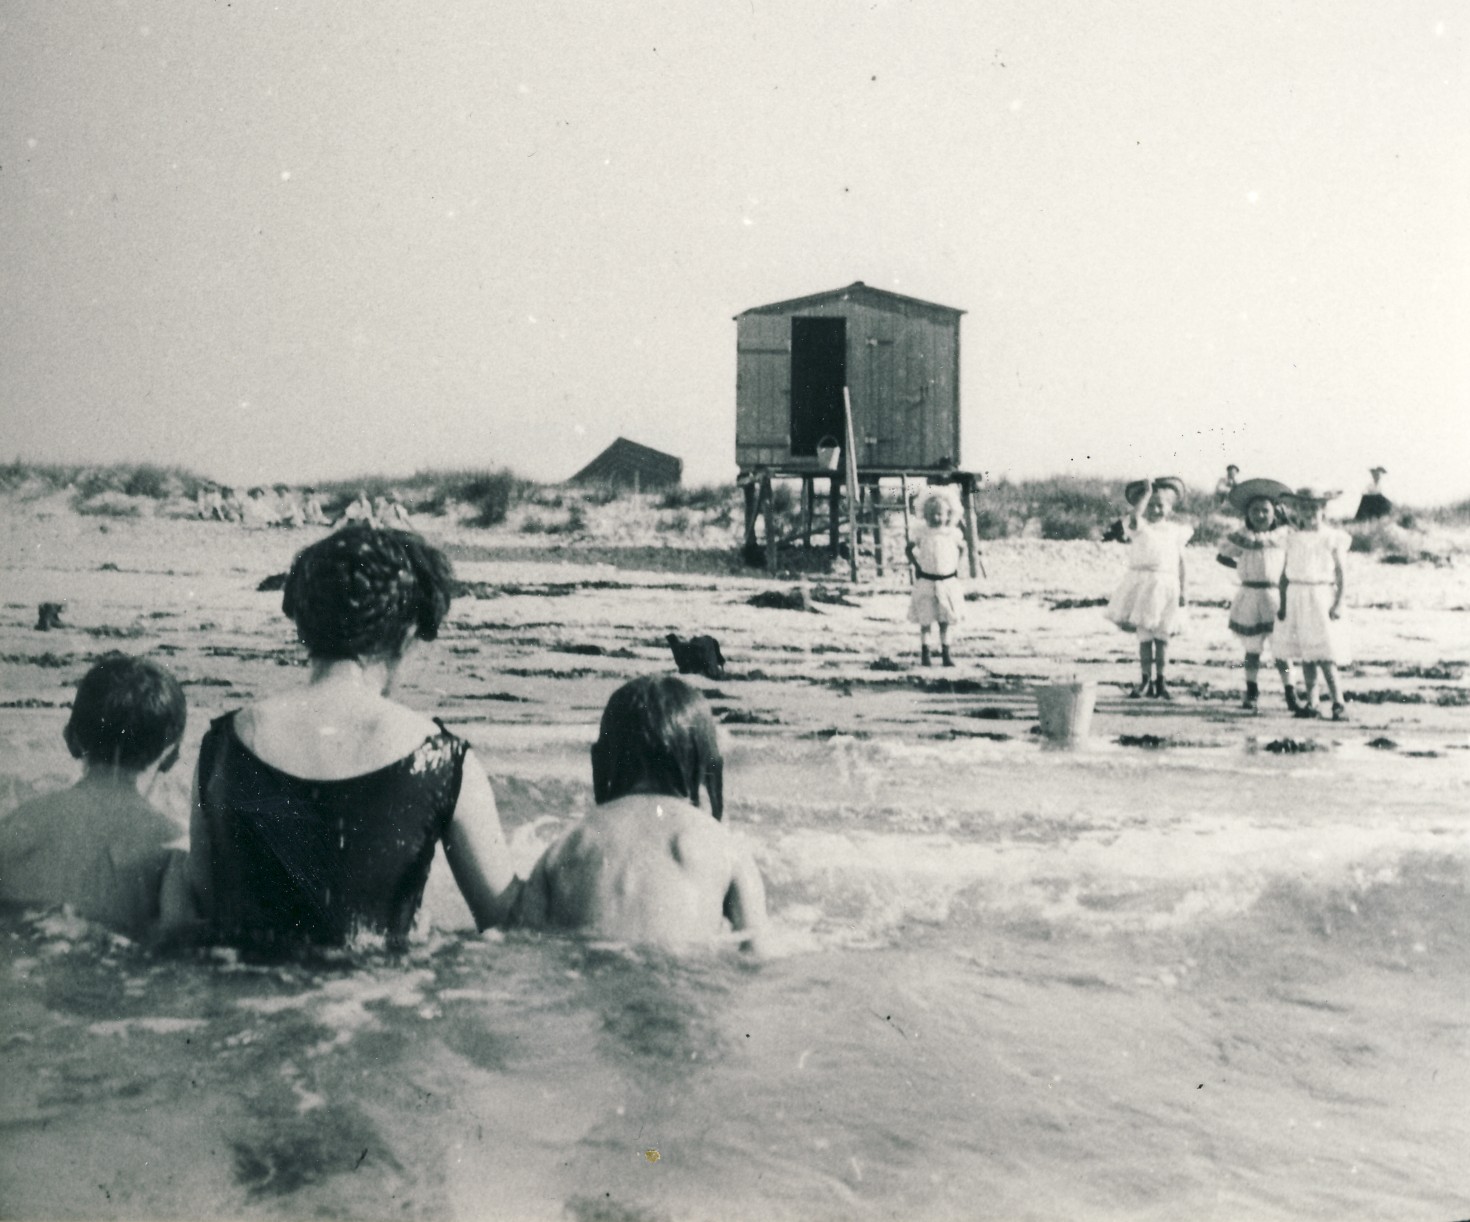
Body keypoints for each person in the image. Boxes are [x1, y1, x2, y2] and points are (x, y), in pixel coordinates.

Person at [187, 525, 521, 951]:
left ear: (303, 624)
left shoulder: (223, 745)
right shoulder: (443, 758)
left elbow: (200, 908)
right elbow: (508, 923)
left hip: (242, 991)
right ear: (406, 634)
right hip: (381, 990)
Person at [511, 677, 767, 950]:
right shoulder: (724, 848)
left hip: (588, 969)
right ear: (711, 768)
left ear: (599, 761)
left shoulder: (569, 844)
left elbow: (521, 940)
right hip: (681, 968)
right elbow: (759, 950)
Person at [0, 653, 189, 940]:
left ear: (70, 738)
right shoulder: (172, 846)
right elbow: (177, 939)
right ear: (172, 756)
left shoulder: (17, 825)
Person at [1105, 477, 1192, 699]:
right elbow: (1135, 517)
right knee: (1145, 636)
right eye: (1150, 505)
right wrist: (1145, 495)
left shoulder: (1175, 531)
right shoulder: (1139, 527)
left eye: (1160, 505)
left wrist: (1184, 590)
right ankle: (1145, 680)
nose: (1155, 509)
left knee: (1163, 637)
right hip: (1143, 585)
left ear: (1169, 508)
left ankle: (1161, 681)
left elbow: (1181, 563)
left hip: (1167, 586)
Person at [1216, 480, 1299, 711]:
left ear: (1275, 514)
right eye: (1255, 511)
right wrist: (1244, 568)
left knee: (1281, 651)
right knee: (1252, 649)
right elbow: (1222, 554)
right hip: (1250, 596)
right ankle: (1251, 691)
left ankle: (1290, 691)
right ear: (1247, 514)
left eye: (1265, 511)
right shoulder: (1242, 538)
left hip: (1275, 596)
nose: (1260, 515)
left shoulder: (1283, 537)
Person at [1276, 488, 1351, 721]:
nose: (1308, 513)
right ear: (1296, 511)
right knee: (1306, 654)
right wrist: (1283, 603)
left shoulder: (1331, 537)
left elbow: (1341, 573)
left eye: (1313, 508)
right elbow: (1284, 574)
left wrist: (1338, 602)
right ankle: (1312, 702)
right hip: (1297, 594)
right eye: (1303, 508)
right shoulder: (1291, 538)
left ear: (1323, 510)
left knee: (1325, 652)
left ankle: (1338, 702)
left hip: (1320, 595)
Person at [905, 488, 967, 667]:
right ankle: (925, 654)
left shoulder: (952, 533)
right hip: (926, 582)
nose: (936, 517)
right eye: (932, 513)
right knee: (925, 620)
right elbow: (908, 549)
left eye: (940, 514)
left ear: (948, 515)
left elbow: (962, 548)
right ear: (925, 514)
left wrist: (956, 565)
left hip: (947, 582)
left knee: (945, 620)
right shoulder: (922, 532)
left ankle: (946, 654)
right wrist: (916, 565)